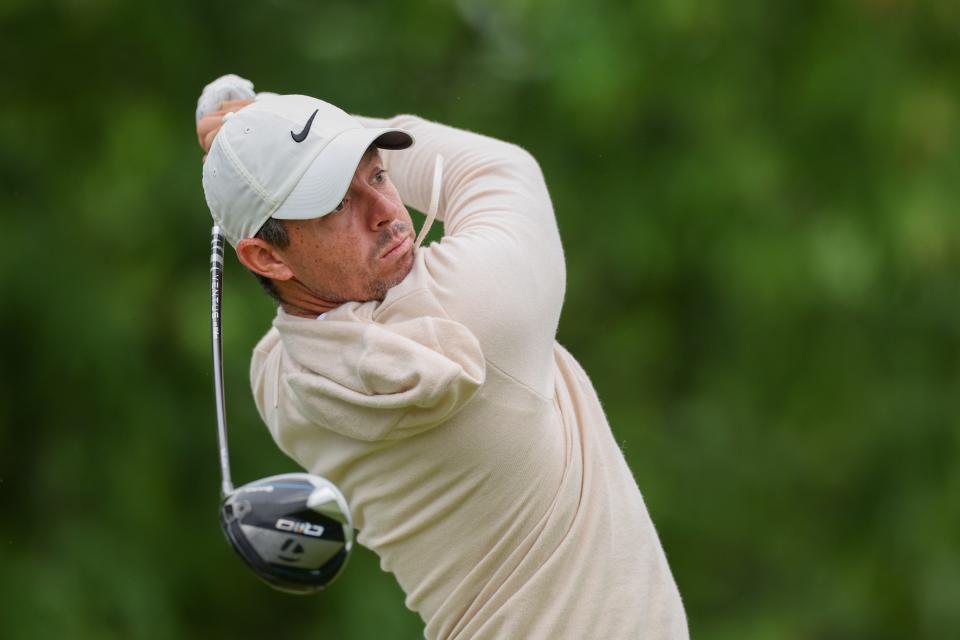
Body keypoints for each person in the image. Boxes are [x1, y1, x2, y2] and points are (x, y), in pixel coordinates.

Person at [196, 74, 688, 639]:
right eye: (336, 201)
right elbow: (502, 168)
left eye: (378, 171)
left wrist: (261, 153)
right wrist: (288, 119)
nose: (385, 210)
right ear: (265, 256)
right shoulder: (477, 309)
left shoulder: (280, 390)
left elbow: (294, 319)